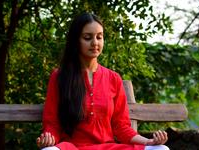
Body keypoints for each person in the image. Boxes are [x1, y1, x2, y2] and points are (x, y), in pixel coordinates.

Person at [36, 12, 169, 150]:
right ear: (76, 40)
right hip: (72, 147)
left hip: (108, 148)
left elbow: (121, 127)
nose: (95, 43)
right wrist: (48, 139)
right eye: (87, 38)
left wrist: (149, 142)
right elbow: (52, 123)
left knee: (161, 149)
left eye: (99, 37)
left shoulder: (113, 78)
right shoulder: (60, 76)